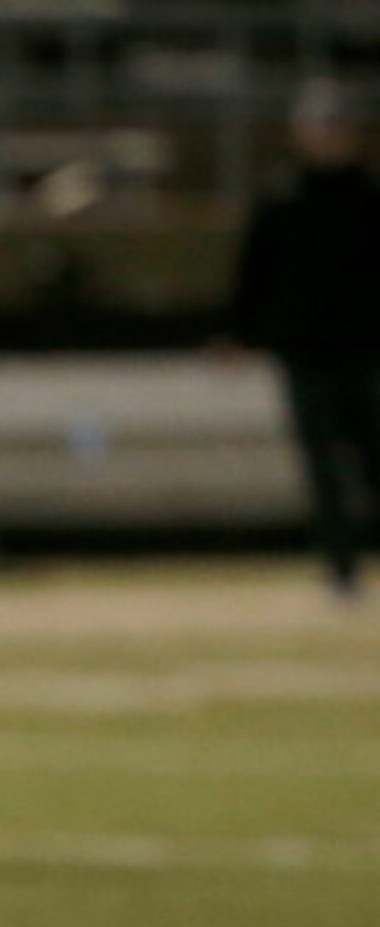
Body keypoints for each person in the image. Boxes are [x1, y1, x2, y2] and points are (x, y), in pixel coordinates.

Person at [230, 80, 380, 604]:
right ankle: (341, 570)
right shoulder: (283, 200)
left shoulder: (369, 197)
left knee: (373, 460)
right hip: (308, 352)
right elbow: (255, 274)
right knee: (324, 469)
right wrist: (239, 333)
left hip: (367, 349)